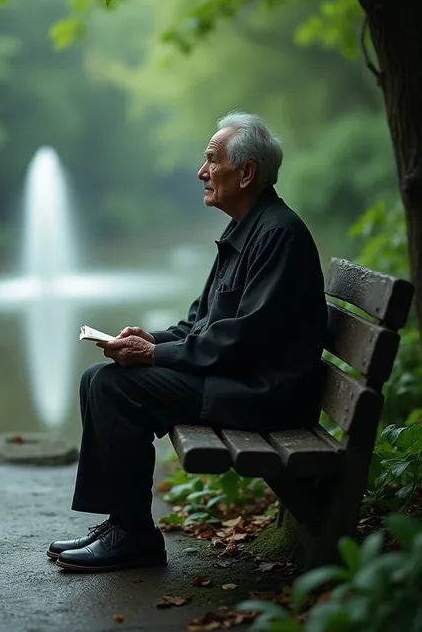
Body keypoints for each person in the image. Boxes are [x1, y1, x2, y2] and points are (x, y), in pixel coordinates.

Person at [47, 110, 328, 573]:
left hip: (265, 394)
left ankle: (133, 536)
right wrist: (149, 339)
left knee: (114, 387)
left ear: (246, 172)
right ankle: (124, 521)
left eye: (211, 160)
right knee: (98, 376)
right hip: (239, 379)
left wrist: (156, 355)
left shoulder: (277, 233)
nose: (202, 172)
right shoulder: (247, 229)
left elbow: (243, 340)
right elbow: (201, 322)